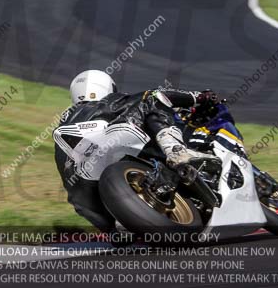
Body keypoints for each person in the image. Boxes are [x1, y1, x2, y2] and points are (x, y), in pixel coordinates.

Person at [53, 69, 239, 232]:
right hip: (114, 139)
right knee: (152, 99)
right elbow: (158, 95)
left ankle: (117, 228)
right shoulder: (110, 103)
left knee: (77, 195)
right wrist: (198, 97)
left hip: (83, 179)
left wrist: (107, 228)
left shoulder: (66, 125)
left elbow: (79, 202)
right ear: (106, 88)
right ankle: (175, 150)